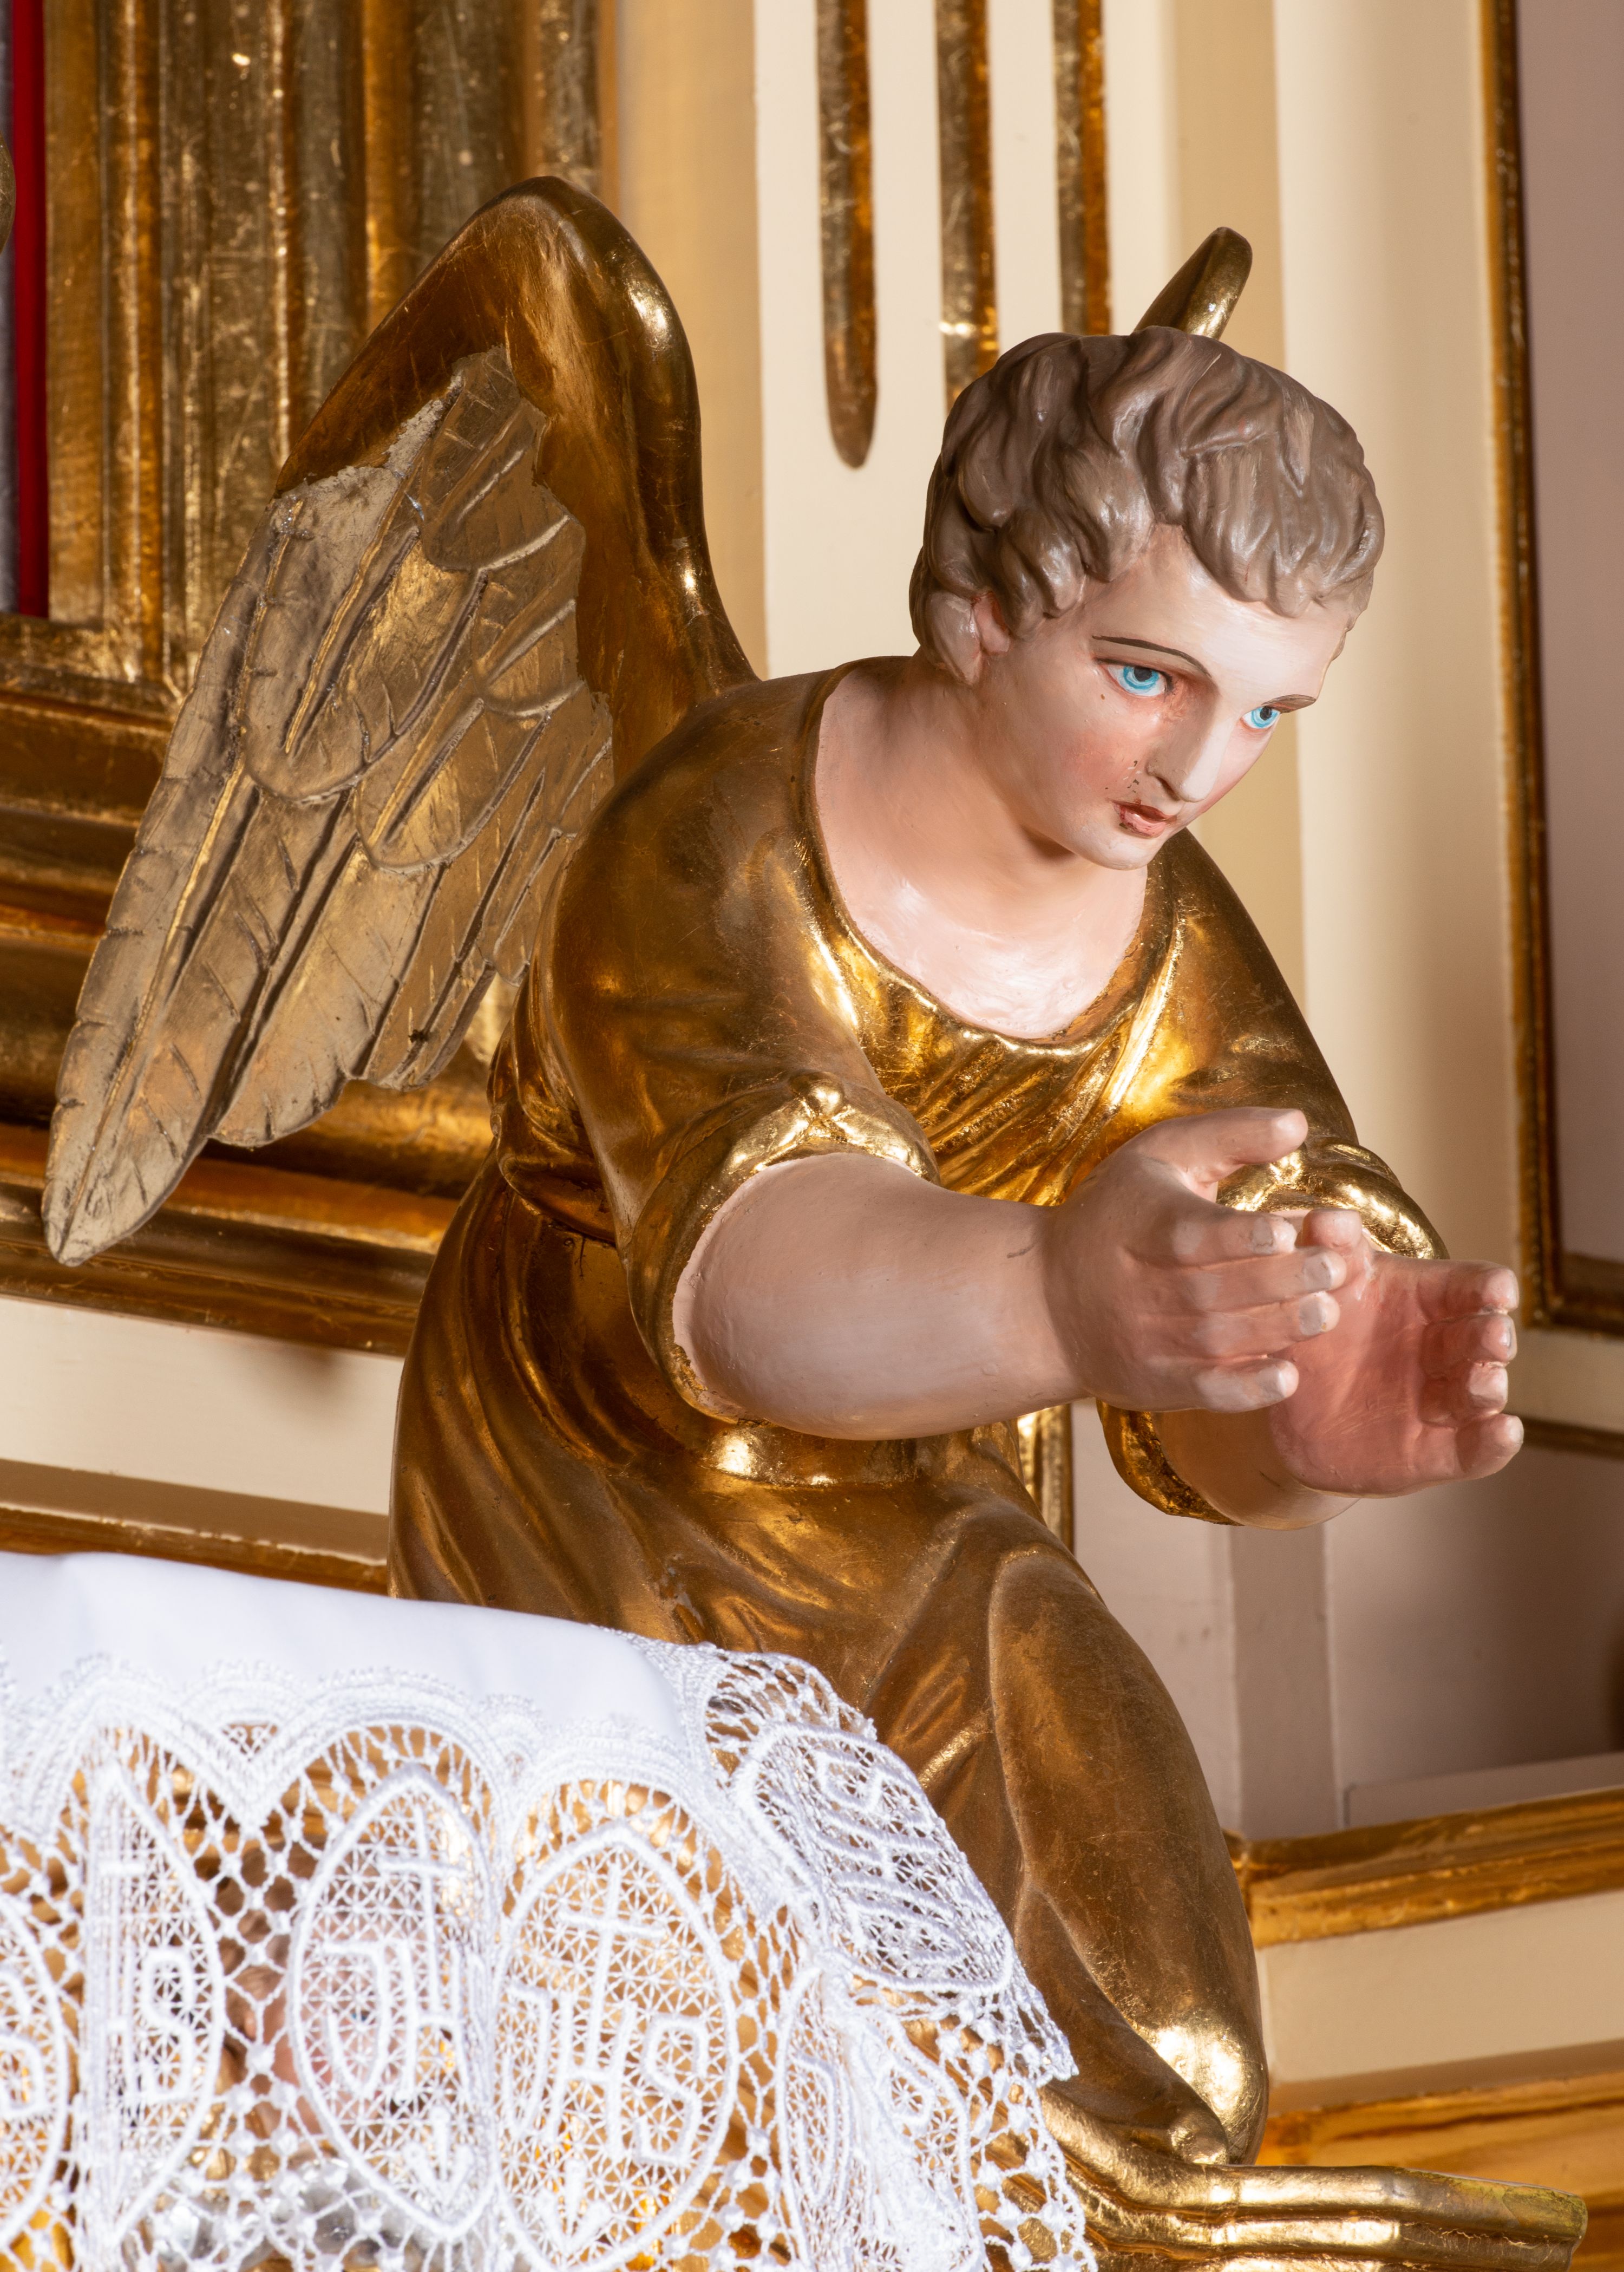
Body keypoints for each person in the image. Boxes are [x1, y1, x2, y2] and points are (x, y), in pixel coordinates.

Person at [390, 327, 1520, 2169]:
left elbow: (1244, 1256)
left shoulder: (1160, 919)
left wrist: (1302, 1400)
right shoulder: (720, 830)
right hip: (600, 1483)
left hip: (919, 1495)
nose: (1199, 765)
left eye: (1266, 711)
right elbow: (750, 1282)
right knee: (665, 2035)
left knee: (1156, 2036)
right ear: (981, 608)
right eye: (1148, 674)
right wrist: (1070, 1291)